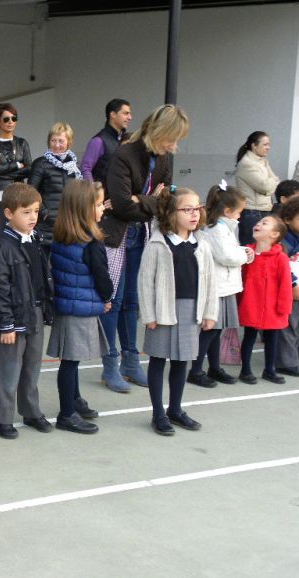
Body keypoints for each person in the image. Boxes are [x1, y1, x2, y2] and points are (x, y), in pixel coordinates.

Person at [100, 104, 190, 393]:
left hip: (143, 234)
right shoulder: (124, 154)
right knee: (113, 301)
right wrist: (148, 199)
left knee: (132, 302)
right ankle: (110, 364)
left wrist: (142, 200)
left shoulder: (161, 157)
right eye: (171, 139)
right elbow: (122, 205)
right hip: (119, 235)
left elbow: (167, 199)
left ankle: (130, 361)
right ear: (158, 131)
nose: (173, 146)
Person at [138, 187, 217, 436]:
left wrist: (210, 312)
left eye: (198, 208)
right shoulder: (158, 244)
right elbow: (145, 281)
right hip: (163, 311)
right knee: (158, 359)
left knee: (182, 361)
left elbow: (210, 282)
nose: (195, 214)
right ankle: (158, 413)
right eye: (187, 209)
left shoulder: (202, 244)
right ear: (172, 213)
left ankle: (175, 409)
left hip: (190, 311)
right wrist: (149, 315)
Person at [0, 183, 53, 439]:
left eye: (35, 211)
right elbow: (0, 289)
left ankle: (30, 411)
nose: (33, 217)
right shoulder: (2, 246)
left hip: (35, 311)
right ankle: (1, 417)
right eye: (26, 212)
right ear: (8, 213)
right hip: (14, 318)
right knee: (9, 369)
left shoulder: (36, 239)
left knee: (32, 366)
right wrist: (6, 324)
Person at [47, 180, 112, 434]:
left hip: (68, 304)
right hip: (81, 307)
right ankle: (66, 414)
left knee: (70, 359)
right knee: (70, 362)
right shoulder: (91, 243)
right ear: (84, 209)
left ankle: (74, 400)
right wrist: (106, 298)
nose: (103, 209)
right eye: (99, 204)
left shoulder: (62, 237)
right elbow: (102, 277)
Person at [187, 183, 253, 388]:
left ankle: (214, 367)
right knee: (210, 330)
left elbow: (230, 252)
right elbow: (226, 256)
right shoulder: (216, 229)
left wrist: (241, 252)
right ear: (227, 211)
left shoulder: (223, 227)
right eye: (239, 212)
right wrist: (245, 254)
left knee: (216, 330)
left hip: (224, 286)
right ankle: (195, 370)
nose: (240, 216)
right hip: (217, 287)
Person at [237, 214, 292, 385]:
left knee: (272, 339)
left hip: (272, 307)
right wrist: (240, 301)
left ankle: (269, 370)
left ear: (274, 234)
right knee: (249, 337)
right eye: (259, 222)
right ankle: (245, 370)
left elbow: (285, 284)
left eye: (265, 223)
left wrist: (284, 308)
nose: (259, 224)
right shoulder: (247, 253)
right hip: (251, 304)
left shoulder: (280, 257)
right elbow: (241, 279)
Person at [28, 122, 83, 252]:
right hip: (46, 226)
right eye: (53, 140)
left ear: (69, 142)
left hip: (69, 225)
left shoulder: (75, 167)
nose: (57, 145)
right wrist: (45, 214)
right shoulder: (41, 163)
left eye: (61, 141)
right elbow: (30, 192)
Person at [0, 103, 32, 239]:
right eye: (6, 119)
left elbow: (29, 169)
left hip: (19, 197)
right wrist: (17, 165)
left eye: (14, 118)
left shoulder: (22, 143)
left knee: (20, 238)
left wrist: (1, 170)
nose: (11, 122)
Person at [234, 131, 280, 245]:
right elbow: (265, 187)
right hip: (252, 213)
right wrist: (272, 183)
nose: (268, 147)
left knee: (264, 247)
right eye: (265, 144)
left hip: (264, 210)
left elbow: (276, 182)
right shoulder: (247, 164)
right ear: (254, 145)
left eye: (269, 144)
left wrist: (271, 183)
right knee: (251, 248)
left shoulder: (263, 162)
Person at [80, 98, 132, 183]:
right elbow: (85, 168)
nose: (130, 117)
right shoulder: (98, 141)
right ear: (113, 114)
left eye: (130, 114)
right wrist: (93, 190)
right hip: (101, 190)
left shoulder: (125, 140)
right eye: (126, 113)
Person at [276, 197, 299, 376]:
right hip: (288, 288)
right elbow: (282, 266)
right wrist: (293, 284)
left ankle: (293, 357)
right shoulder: (283, 241)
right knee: (288, 325)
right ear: (287, 220)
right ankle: (286, 362)